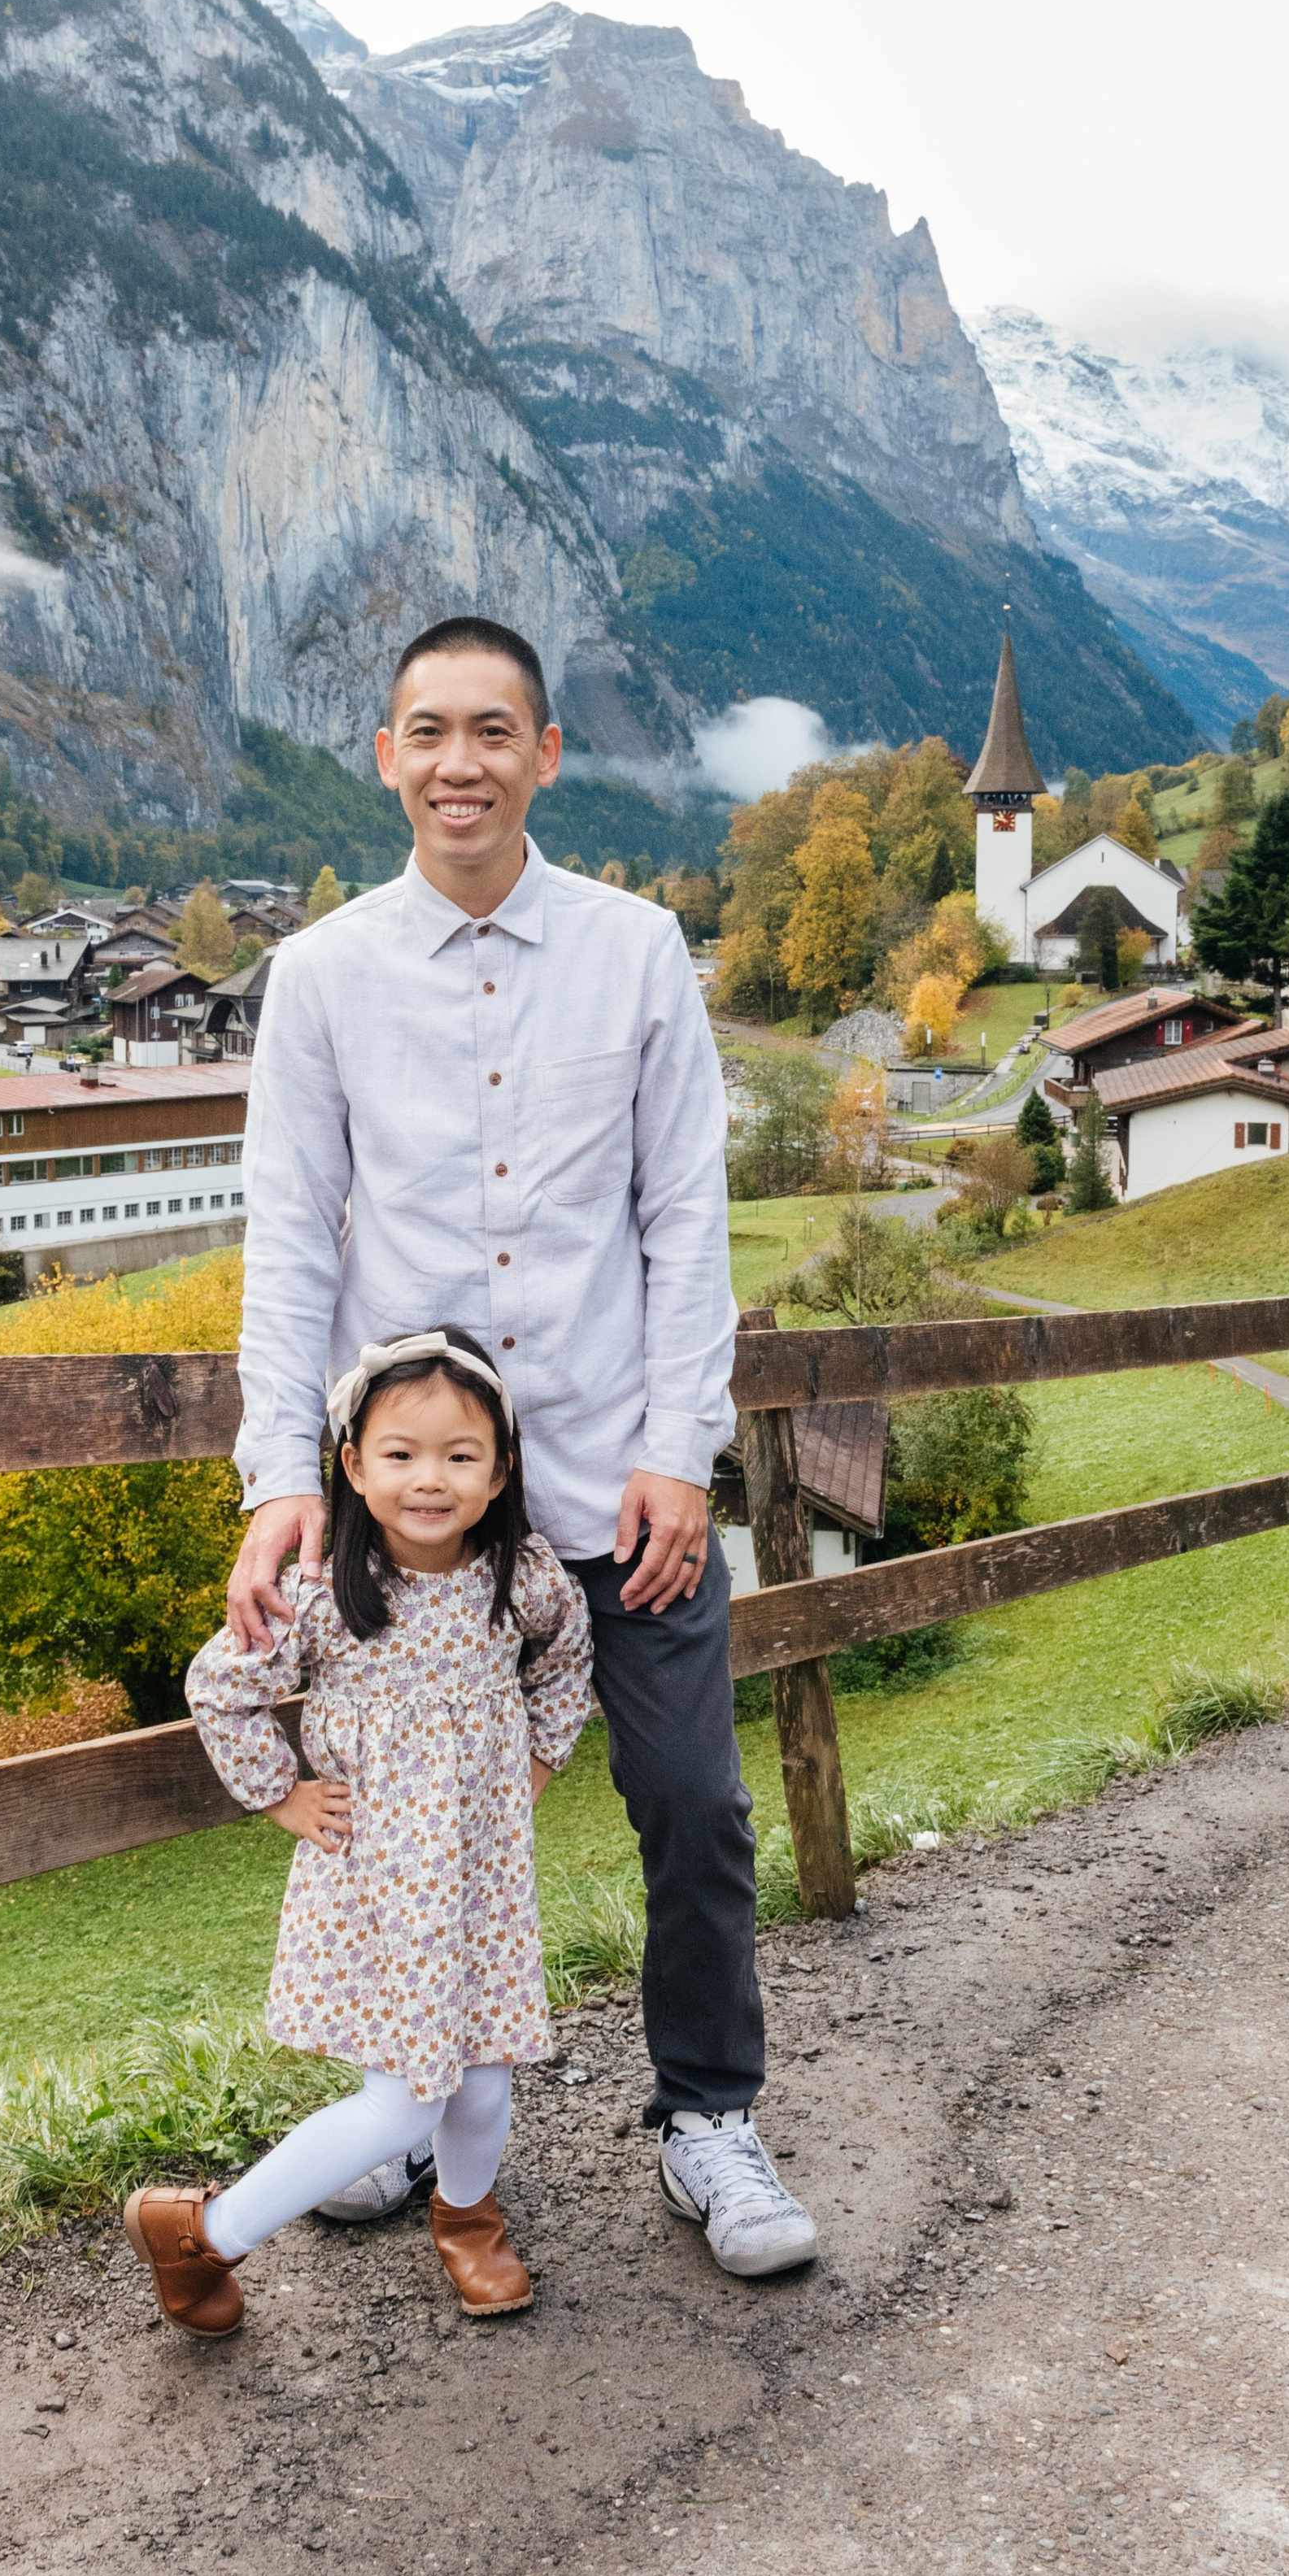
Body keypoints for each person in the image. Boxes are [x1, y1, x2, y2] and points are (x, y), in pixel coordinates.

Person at [221, 615, 818, 2278]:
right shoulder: (323, 974)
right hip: (413, 1515)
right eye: (428, 731)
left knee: (691, 1803)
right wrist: (283, 1476)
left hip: (618, 1488)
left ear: (545, 753)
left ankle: (706, 2118)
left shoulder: (635, 950)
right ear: (386, 756)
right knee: (396, 1818)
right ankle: (402, 2113)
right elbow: (291, 1243)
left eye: (493, 730)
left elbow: (682, 1216)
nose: (459, 761)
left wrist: (679, 1449)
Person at [124, 1327, 592, 2334]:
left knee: (484, 2067)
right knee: (404, 2102)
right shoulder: (326, 1592)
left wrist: (540, 1760)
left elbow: (565, 1658)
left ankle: (468, 2218)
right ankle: (206, 2229)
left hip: (481, 1878)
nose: (431, 1479)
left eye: (460, 1455)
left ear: (501, 1468)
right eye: (401, 1454)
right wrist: (278, 1794)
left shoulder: (522, 1577)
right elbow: (220, 1688)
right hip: (379, 1883)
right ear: (351, 1465)